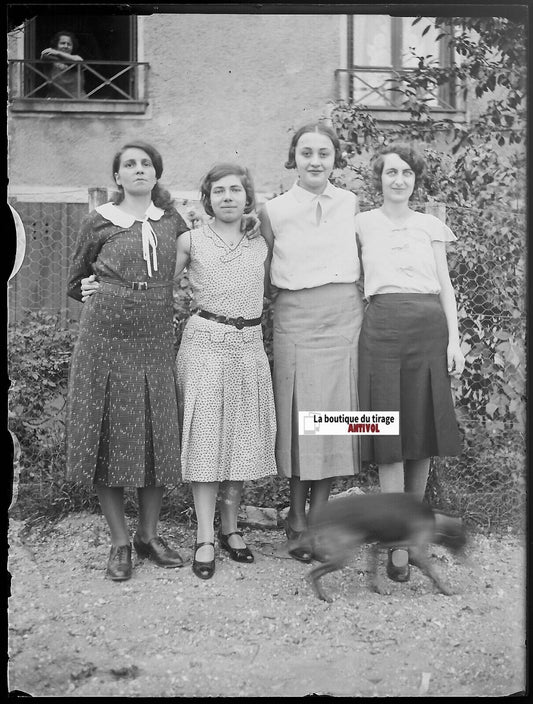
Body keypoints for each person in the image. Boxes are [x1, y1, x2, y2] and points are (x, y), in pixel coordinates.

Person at [66, 141, 187, 581]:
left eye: (146, 164)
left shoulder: (172, 221)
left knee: (156, 432)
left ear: (156, 173)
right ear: (117, 177)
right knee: (109, 433)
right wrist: (87, 291)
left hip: (155, 336)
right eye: (129, 165)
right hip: (106, 338)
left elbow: (205, 251)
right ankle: (120, 543)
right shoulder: (99, 221)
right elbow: (75, 280)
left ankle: (148, 535)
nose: (139, 170)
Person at [355, 141, 465, 583]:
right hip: (380, 327)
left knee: (421, 429)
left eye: (406, 173)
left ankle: (410, 541)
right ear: (378, 179)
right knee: (386, 430)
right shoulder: (361, 223)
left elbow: (446, 287)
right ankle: (393, 539)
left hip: (428, 330)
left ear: (415, 180)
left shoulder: (430, 225)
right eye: (390, 173)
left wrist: (454, 341)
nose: (398, 180)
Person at [258, 122, 364, 563]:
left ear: (335, 158)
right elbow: (261, 271)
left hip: (343, 317)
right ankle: (295, 518)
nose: (315, 161)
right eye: (306, 153)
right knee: (301, 418)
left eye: (323, 153)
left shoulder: (352, 203)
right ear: (293, 158)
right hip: (295, 318)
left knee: (336, 418)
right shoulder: (273, 210)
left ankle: (318, 519)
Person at [174, 163, 277, 580]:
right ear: (207, 198)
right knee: (205, 438)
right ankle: (204, 535)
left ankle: (231, 528)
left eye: (236, 190)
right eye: (219, 191)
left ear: (248, 197)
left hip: (249, 346)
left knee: (241, 437)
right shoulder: (191, 240)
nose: (228, 197)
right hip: (204, 343)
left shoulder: (261, 240)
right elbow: (157, 284)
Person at [40, 30, 86, 98]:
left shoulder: (76, 59)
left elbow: (80, 61)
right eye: (62, 43)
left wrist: (58, 53)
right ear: (56, 45)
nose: (66, 46)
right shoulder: (48, 56)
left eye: (69, 44)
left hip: (78, 100)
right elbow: (44, 54)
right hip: (56, 100)